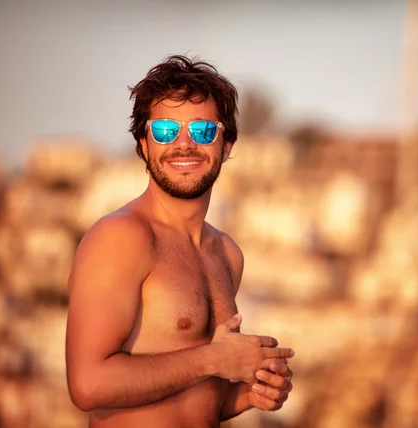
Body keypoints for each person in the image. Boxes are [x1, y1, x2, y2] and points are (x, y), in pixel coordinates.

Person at [65, 55, 295, 428]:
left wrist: (250, 394)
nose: (184, 144)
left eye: (203, 130)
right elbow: (88, 385)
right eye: (165, 131)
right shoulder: (120, 238)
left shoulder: (226, 254)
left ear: (227, 144)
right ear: (144, 145)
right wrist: (215, 359)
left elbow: (196, 397)